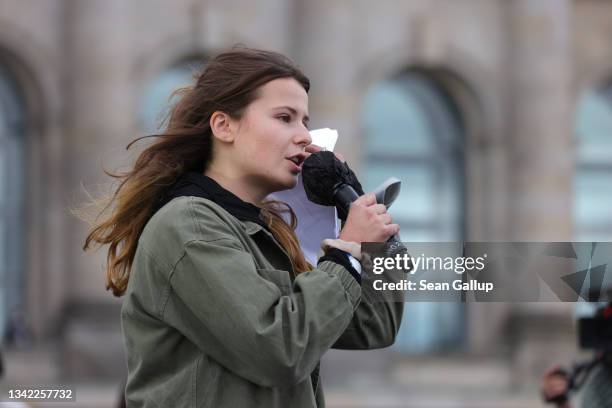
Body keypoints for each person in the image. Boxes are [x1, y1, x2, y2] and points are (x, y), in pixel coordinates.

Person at [82, 46, 403, 408]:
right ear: (223, 125)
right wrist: (345, 252)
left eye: (305, 122)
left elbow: (374, 324)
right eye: (284, 117)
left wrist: (360, 219)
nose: (303, 136)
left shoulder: (266, 232)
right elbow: (279, 349)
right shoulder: (190, 224)